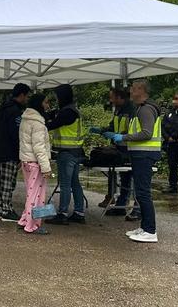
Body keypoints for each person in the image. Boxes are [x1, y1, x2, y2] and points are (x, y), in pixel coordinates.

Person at [106, 79, 163, 243]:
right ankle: (144, 227)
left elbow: (146, 133)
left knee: (143, 193)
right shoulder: (142, 108)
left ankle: (150, 230)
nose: (130, 91)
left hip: (145, 155)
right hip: (140, 154)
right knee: (141, 191)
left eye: (133, 88)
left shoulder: (146, 109)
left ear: (141, 90)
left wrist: (123, 137)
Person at [45, 84, 86, 225]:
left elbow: (52, 124)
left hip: (67, 153)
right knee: (75, 183)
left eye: (57, 96)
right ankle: (79, 212)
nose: (56, 99)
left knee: (65, 184)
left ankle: (62, 213)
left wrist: (41, 123)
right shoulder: (73, 110)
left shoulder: (67, 112)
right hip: (76, 152)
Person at [92, 88, 136, 216]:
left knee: (128, 178)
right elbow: (112, 126)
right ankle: (119, 204)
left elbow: (133, 131)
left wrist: (118, 135)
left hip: (129, 149)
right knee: (122, 178)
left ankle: (128, 206)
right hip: (119, 148)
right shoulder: (118, 110)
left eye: (112, 97)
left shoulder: (132, 111)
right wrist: (102, 130)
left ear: (120, 97)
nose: (111, 100)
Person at [0, 83, 30, 221]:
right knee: (8, 182)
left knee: (0, 182)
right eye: (27, 96)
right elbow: (16, 133)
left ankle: (0, 208)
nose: (27, 99)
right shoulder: (15, 111)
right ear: (21, 95)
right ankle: (7, 210)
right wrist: (20, 153)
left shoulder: (3, 108)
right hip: (9, 152)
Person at [17, 94, 53, 234]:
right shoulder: (37, 123)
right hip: (35, 163)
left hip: (27, 161)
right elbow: (39, 147)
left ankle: (25, 220)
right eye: (46, 102)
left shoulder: (26, 119)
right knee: (36, 195)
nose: (47, 105)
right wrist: (46, 167)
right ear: (39, 104)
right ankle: (32, 225)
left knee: (30, 193)